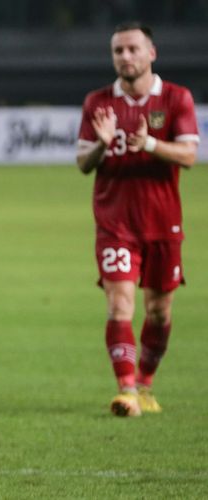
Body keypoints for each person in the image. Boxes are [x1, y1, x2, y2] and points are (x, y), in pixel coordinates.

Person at [76, 21, 199, 417]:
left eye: (132, 49)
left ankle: (145, 383)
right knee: (119, 303)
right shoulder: (97, 102)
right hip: (115, 223)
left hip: (163, 222)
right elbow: (82, 163)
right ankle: (126, 389)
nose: (125, 57)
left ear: (151, 53)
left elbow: (189, 157)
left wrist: (148, 143)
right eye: (118, 51)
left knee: (160, 309)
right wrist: (102, 144)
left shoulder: (177, 98)